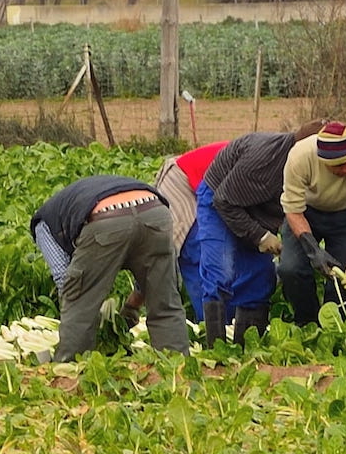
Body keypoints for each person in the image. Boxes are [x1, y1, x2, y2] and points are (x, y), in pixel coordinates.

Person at [195, 119, 327, 345]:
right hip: (220, 199)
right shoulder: (264, 158)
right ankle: (215, 353)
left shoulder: (308, 168)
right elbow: (224, 201)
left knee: (260, 277)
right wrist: (260, 236)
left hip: (260, 209)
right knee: (221, 271)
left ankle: (245, 350)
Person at [31, 175, 191, 361]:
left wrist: (87, 314)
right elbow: (155, 276)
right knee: (165, 303)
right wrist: (132, 306)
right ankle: (177, 371)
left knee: (79, 306)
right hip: (155, 210)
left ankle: (71, 371)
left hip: (105, 218)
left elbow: (64, 278)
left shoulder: (42, 226)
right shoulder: (78, 199)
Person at [278, 121, 346, 325]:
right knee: (290, 269)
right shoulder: (300, 157)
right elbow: (293, 209)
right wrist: (313, 250)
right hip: (306, 212)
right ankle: (307, 322)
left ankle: (338, 329)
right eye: (339, 165)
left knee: (345, 275)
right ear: (323, 160)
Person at [153, 140, 229, 322]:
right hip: (182, 181)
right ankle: (211, 327)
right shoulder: (270, 159)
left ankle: (223, 324)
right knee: (198, 253)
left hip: (207, 185)